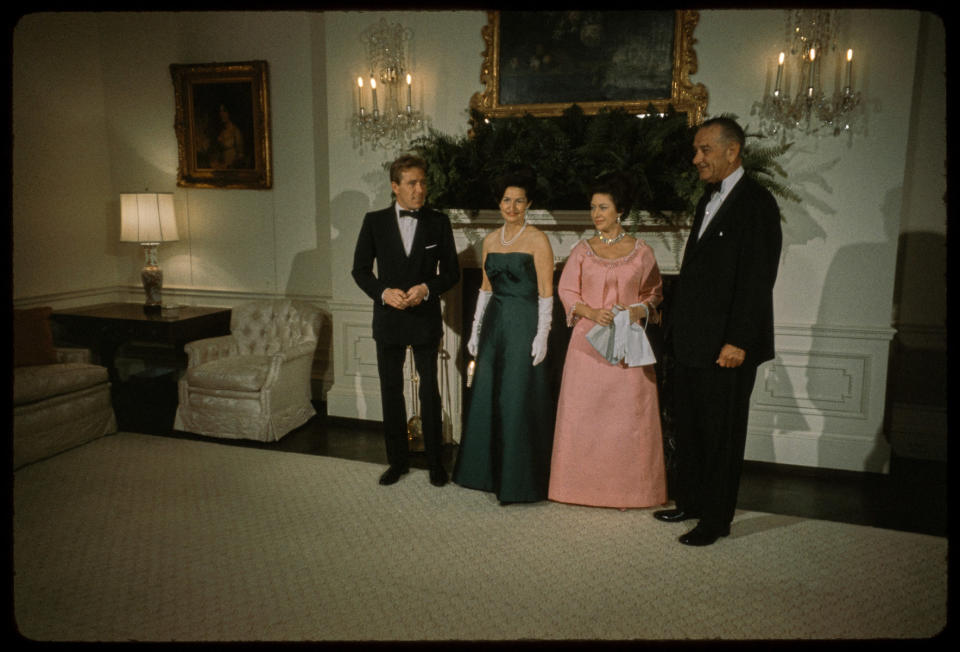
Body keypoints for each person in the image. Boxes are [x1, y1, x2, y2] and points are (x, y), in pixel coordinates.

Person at [655, 116, 782, 546]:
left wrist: (739, 341)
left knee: (721, 435)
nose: (696, 159)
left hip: (728, 345)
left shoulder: (757, 203)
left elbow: (757, 278)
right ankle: (691, 503)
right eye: (696, 150)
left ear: (733, 151)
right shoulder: (707, 201)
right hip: (693, 341)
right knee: (690, 428)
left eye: (705, 150)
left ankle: (716, 520)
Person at [548, 174, 667, 510]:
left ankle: (633, 492)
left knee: (628, 418)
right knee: (583, 417)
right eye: (592, 207)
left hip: (627, 345)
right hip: (587, 343)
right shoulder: (583, 251)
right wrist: (590, 311)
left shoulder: (643, 252)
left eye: (602, 207)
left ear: (620, 210)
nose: (596, 213)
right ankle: (574, 489)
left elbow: (654, 293)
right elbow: (566, 290)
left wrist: (636, 310)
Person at [352, 154, 460, 487]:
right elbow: (360, 270)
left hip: (424, 318)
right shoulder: (374, 222)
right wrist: (383, 292)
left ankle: (435, 463)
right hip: (389, 319)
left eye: (423, 182)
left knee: (430, 391)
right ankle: (396, 462)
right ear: (395, 186)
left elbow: (452, 273)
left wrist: (427, 288)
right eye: (412, 183)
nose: (419, 189)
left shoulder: (438, 221)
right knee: (391, 391)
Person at [453, 169, 555, 504]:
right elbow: (484, 289)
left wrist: (543, 334)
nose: (512, 206)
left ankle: (519, 480)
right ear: (499, 203)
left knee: (515, 397)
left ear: (529, 204)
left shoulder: (538, 239)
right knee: (489, 395)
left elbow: (545, 293)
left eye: (519, 201)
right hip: (495, 325)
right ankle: (484, 473)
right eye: (506, 200)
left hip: (524, 323)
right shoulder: (491, 240)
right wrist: (474, 329)